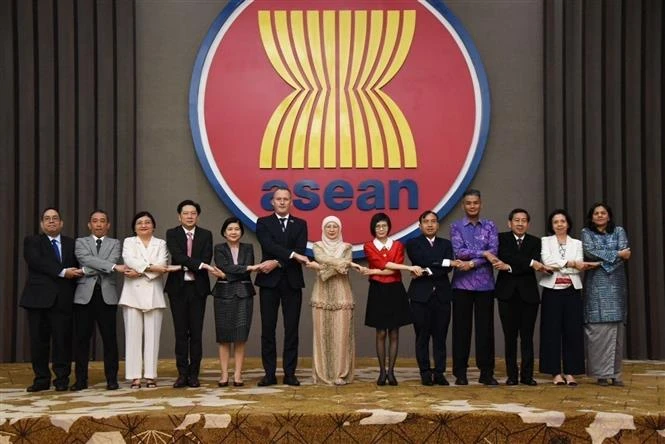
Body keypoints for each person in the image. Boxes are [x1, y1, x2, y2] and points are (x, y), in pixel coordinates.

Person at [485, 208, 552, 386]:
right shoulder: (501, 239)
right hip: (506, 295)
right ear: (510, 223)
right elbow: (506, 256)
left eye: (524, 220)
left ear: (528, 224)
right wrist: (529, 262)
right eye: (517, 220)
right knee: (510, 337)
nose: (520, 223)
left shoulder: (536, 242)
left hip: (529, 295)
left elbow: (523, 261)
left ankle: (527, 376)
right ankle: (512, 376)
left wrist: (511, 267)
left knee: (527, 337)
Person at [20, 208, 83, 392]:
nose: (51, 221)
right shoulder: (32, 241)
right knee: (39, 341)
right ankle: (41, 379)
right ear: (42, 224)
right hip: (37, 300)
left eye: (55, 218)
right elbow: (36, 262)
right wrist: (63, 272)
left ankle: (62, 379)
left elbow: (80, 265)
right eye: (47, 219)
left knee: (62, 341)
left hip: (63, 299)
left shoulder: (72, 243)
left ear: (61, 223)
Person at [254, 187, 310, 386]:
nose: (282, 202)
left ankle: (289, 373)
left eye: (286, 199)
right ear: (272, 202)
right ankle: (269, 374)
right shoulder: (263, 222)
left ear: (291, 202)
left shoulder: (301, 224)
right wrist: (293, 256)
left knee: (291, 329)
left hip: (292, 283)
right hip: (269, 283)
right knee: (268, 329)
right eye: (279, 199)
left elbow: (301, 249)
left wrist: (277, 262)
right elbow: (269, 245)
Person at [119, 211, 178, 389]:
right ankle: (135, 376)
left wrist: (140, 271)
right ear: (134, 227)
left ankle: (151, 375)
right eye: (139, 223)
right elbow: (129, 259)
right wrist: (151, 268)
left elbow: (163, 264)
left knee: (153, 337)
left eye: (147, 222)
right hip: (131, 294)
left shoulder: (161, 243)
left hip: (153, 293)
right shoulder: (129, 242)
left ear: (153, 226)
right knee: (132, 336)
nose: (143, 225)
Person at [539, 209, 598, 386]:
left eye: (562, 221)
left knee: (572, 331)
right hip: (552, 290)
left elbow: (579, 267)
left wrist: (564, 265)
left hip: (572, 290)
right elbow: (547, 262)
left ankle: (571, 372)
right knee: (551, 332)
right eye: (555, 222)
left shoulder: (577, 243)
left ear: (568, 223)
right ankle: (555, 372)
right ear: (551, 225)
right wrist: (570, 263)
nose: (559, 224)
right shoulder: (545, 241)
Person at [71, 209, 128, 391]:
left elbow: (92, 263)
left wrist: (86, 270)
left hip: (107, 297)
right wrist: (111, 267)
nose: (98, 224)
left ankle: (112, 379)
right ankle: (81, 379)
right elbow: (84, 258)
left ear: (108, 225)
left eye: (102, 221)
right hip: (84, 298)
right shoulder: (80, 242)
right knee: (81, 340)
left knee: (110, 340)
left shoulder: (115, 243)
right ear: (89, 225)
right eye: (95, 221)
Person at [363, 212, 422, 386]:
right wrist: (408, 267)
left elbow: (391, 271)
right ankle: (382, 372)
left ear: (389, 227)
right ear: (373, 229)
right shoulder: (369, 246)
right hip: (378, 290)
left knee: (394, 332)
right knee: (380, 332)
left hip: (395, 290)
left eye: (384, 226)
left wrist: (372, 271)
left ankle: (391, 372)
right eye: (377, 226)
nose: (381, 229)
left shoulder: (397, 245)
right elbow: (386, 266)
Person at [165, 200, 217, 388]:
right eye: (185, 213)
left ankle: (194, 374)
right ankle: (182, 374)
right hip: (177, 289)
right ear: (179, 216)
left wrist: (190, 264)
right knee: (180, 333)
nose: (189, 216)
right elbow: (177, 255)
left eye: (193, 213)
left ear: (197, 216)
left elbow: (206, 258)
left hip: (198, 289)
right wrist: (198, 265)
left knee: (196, 333)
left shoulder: (206, 234)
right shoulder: (172, 233)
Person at [450, 189, 499, 385]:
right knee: (461, 330)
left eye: (475, 203)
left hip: (485, 285)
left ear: (481, 204)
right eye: (468, 203)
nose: (472, 206)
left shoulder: (490, 226)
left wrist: (473, 263)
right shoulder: (456, 227)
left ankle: (486, 372)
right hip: (462, 285)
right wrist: (483, 254)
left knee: (485, 330)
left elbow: (494, 251)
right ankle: (460, 372)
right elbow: (459, 252)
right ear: (463, 205)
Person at [306, 216, 362, 385]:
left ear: (340, 229)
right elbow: (323, 258)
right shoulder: (317, 245)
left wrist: (323, 270)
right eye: (328, 226)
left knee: (342, 335)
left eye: (335, 226)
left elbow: (341, 269)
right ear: (323, 229)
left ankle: (341, 374)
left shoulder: (347, 247)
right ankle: (322, 374)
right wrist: (344, 264)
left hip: (342, 294)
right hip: (321, 295)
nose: (331, 229)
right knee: (322, 335)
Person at [581, 202, 630, 386]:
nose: (600, 216)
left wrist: (598, 264)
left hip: (616, 285)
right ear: (591, 217)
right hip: (595, 286)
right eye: (596, 213)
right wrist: (617, 253)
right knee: (597, 329)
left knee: (616, 329)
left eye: (603, 213)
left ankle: (616, 374)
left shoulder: (618, 231)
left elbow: (625, 255)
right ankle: (601, 374)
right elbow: (589, 252)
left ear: (609, 216)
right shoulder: (586, 233)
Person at [406, 210, 457, 386]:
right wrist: (443, 262)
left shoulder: (446, 244)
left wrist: (427, 269)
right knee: (422, 336)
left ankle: (439, 372)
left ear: (438, 224)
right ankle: (425, 372)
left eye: (433, 221)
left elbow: (448, 267)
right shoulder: (412, 243)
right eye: (426, 221)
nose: (429, 224)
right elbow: (421, 259)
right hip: (420, 297)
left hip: (442, 296)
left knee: (440, 336)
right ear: (420, 225)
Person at [213, 217, 256, 387]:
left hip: (244, 294)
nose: (233, 232)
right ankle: (224, 375)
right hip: (223, 295)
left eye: (236, 229)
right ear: (224, 232)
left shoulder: (248, 248)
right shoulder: (219, 248)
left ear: (241, 232)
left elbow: (242, 272)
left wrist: (226, 275)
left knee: (240, 337)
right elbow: (225, 266)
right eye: (230, 229)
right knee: (224, 337)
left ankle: (238, 375)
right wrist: (243, 269)